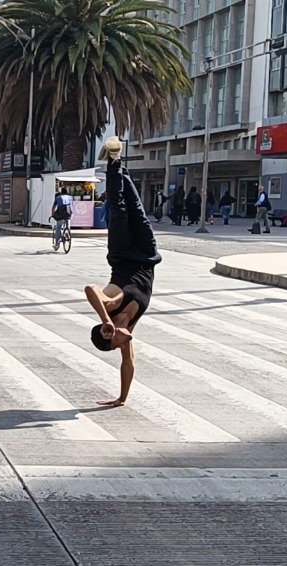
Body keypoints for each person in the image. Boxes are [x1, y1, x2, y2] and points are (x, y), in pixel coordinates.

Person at [84, 137, 162, 408]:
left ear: (109, 333)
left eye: (116, 342)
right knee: (137, 211)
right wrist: (121, 398)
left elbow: (90, 289)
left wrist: (105, 317)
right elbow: (128, 365)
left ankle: (112, 162)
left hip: (122, 254)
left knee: (118, 211)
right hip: (146, 255)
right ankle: (120, 166)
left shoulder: (114, 303)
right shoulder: (129, 329)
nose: (122, 345)